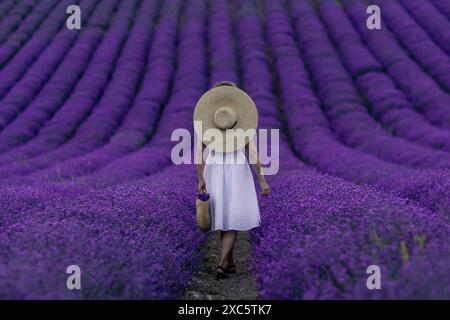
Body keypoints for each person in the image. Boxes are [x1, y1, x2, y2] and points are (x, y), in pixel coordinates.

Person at [194, 81, 269, 280]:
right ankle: (221, 265)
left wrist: (201, 179)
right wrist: (262, 180)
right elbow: (254, 155)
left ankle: (230, 262)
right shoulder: (243, 126)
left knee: (224, 216)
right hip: (237, 169)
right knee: (232, 218)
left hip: (215, 169)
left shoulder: (207, 125)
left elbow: (198, 156)